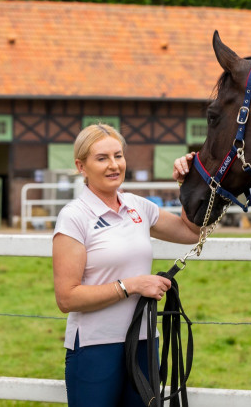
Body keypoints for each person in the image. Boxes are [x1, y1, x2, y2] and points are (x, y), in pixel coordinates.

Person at [52, 124, 199, 407]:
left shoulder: (137, 206)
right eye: (102, 158)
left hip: (144, 344)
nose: (113, 165)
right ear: (81, 166)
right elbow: (67, 297)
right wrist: (131, 286)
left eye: (118, 156)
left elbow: (191, 232)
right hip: (96, 348)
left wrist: (187, 183)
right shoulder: (74, 217)